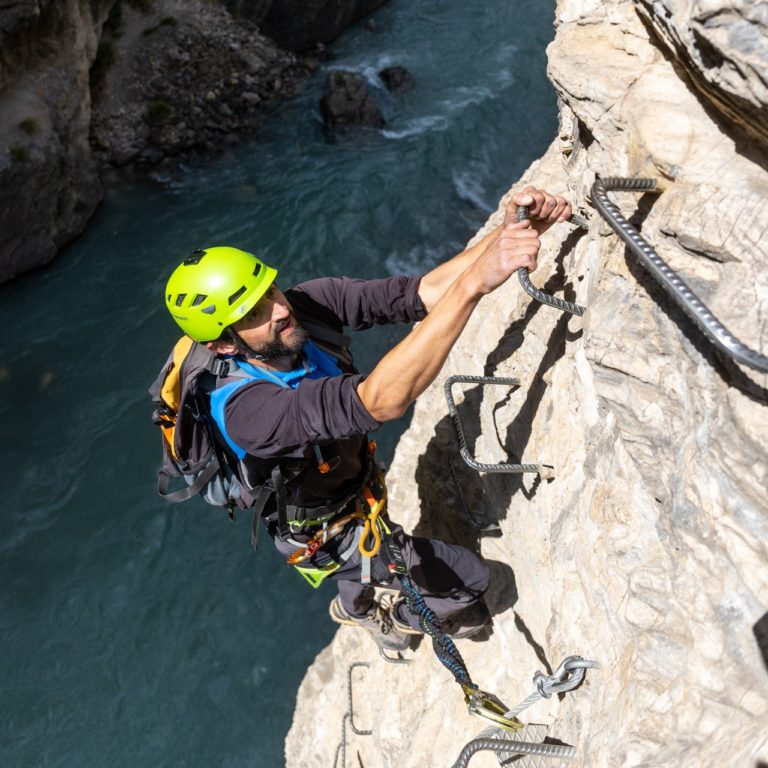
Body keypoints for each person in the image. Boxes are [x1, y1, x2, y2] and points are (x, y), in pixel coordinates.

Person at [162, 187, 571, 650]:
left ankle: (354, 608)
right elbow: (378, 401)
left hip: (353, 484)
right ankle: (399, 618)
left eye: (270, 290)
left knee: (366, 560)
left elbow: (421, 294)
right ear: (224, 345)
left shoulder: (307, 308)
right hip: (320, 531)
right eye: (254, 312)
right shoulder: (246, 411)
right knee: (469, 584)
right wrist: (476, 283)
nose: (280, 309)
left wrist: (508, 234)